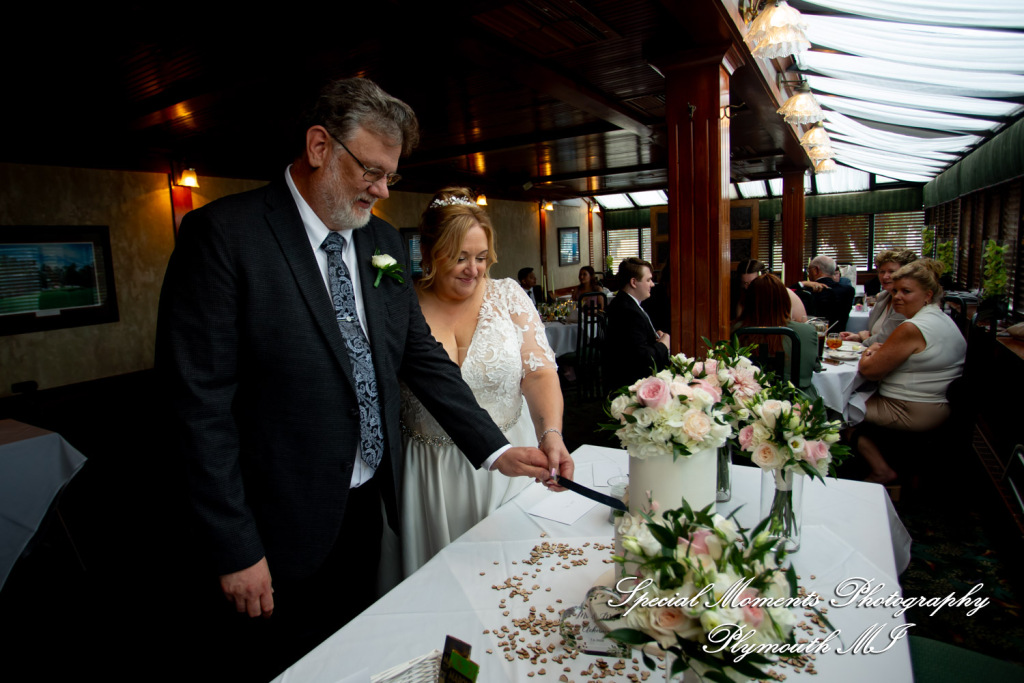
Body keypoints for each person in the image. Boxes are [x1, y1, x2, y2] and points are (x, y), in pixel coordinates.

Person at [155, 78, 569, 679]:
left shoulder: (379, 239)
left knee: (357, 651)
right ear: (319, 146)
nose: (382, 190)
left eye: (390, 176)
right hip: (276, 517)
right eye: (371, 171)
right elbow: (197, 406)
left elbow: (420, 356)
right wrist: (235, 546)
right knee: (287, 664)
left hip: (370, 501)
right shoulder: (225, 236)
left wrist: (496, 448)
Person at [399, 188, 569, 576]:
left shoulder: (507, 295)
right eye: (459, 257)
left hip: (512, 460)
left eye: (480, 257)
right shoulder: (401, 304)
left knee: (516, 577)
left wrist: (551, 434)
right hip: (428, 473)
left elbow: (539, 372)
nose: (473, 270)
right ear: (428, 252)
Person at [853, 259, 966, 483]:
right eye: (895, 291)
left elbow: (870, 370)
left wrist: (870, 352)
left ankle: (880, 469)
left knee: (837, 408)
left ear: (928, 295)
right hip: (937, 404)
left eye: (906, 291)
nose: (897, 297)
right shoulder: (942, 319)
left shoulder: (912, 328)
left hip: (909, 409)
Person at [735, 274, 820, 398]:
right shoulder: (806, 332)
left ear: (748, 301)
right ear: (785, 300)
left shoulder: (735, 330)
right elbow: (813, 367)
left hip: (748, 400)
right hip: (798, 400)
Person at [603, 257, 670, 391]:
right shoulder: (627, 311)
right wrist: (663, 345)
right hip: (631, 385)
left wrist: (654, 338)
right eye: (648, 280)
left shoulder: (626, 303)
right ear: (634, 282)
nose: (652, 284)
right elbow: (640, 358)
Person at [841, 250, 917, 346]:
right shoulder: (883, 296)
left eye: (891, 271)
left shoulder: (906, 301)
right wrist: (858, 337)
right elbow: (874, 332)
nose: (885, 276)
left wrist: (864, 338)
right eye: (882, 271)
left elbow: (887, 339)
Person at [732, 258, 807, 324]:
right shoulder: (743, 298)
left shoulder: (786, 294)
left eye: (752, 283)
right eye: (745, 283)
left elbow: (802, 322)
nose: (748, 287)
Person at [796, 255, 854, 331]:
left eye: (809, 270)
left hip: (813, 335)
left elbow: (786, 294)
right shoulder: (848, 290)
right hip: (838, 336)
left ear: (816, 270)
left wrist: (801, 284)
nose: (808, 274)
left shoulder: (806, 292)